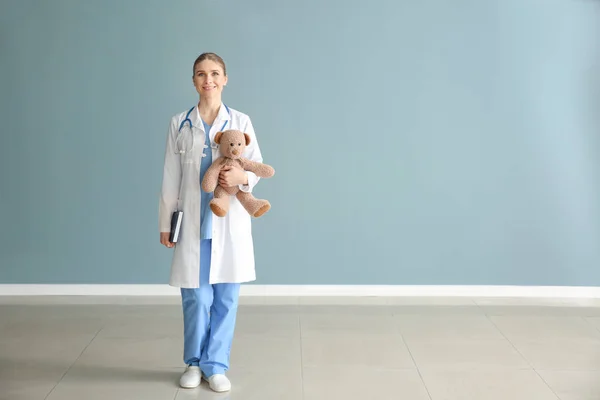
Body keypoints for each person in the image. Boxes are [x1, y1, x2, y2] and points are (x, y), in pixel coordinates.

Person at [158, 52, 266, 392]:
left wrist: (240, 178)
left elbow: (255, 165)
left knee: (226, 298)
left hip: (228, 220)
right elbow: (170, 176)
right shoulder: (180, 122)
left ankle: (215, 365)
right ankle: (193, 363)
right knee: (196, 298)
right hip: (192, 222)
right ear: (193, 80)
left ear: (225, 79)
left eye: (215, 73)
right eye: (202, 74)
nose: (209, 80)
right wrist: (166, 222)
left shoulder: (241, 121)